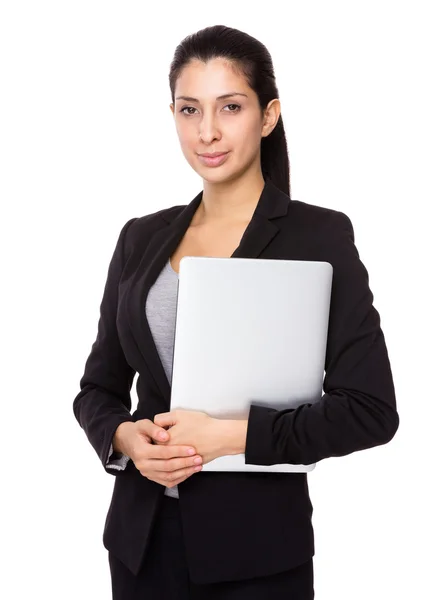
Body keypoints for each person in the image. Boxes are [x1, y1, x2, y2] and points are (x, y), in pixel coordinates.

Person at [72, 24, 400, 599]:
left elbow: (370, 410)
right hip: (139, 548)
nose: (207, 131)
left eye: (230, 106)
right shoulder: (139, 238)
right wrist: (124, 437)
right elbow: (96, 389)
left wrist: (229, 438)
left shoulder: (318, 236)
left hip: (257, 557)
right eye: (189, 109)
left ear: (268, 115)